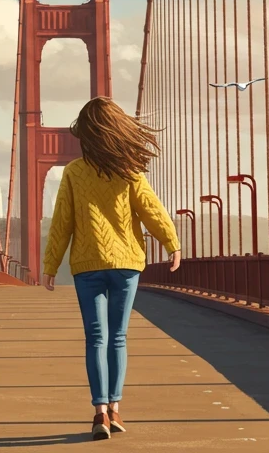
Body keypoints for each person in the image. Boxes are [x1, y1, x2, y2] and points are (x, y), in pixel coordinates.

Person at [41, 96, 182, 441]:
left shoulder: (74, 172)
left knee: (96, 337)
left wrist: (50, 264)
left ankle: (100, 413)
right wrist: (172, 243)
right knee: (117, 337)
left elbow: (63, 222)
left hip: (88, 266)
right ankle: (117, 408)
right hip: (126, 265)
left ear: (85, 134)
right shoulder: (129, 171)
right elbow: (152, 209)